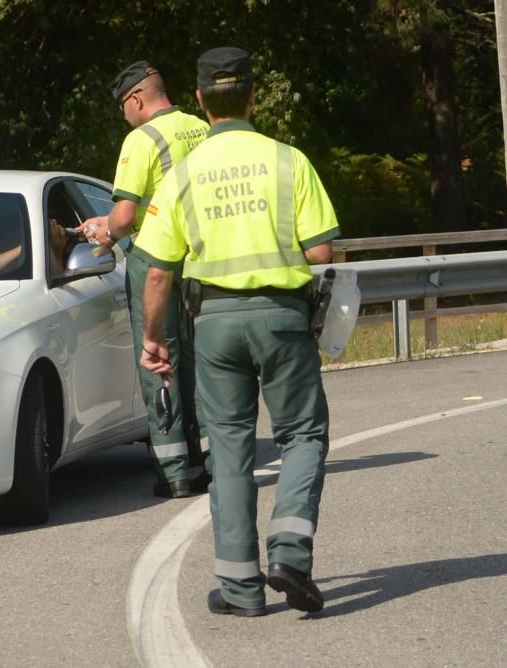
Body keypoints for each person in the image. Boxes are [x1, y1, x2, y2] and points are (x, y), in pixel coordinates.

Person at [136, 47, 339, 616]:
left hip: (214, 325)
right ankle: (291, 553)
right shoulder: (288, 161)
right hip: (282, 317)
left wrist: (154, 338)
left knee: (229, 450)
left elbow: (157, 271)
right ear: (254, 95)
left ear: (200, 101)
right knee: (302, 434)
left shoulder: (182, 174)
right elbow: (321, 250)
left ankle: (240, 589)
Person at [78, 60, 211, 499]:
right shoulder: (200, 127)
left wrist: (107, 230)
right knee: (202, 362)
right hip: (206, 260)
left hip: (159, 260)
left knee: (159, 360)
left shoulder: (141, 139)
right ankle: (208, 458)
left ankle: (173, 469)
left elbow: (127, 215)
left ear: (135, 98)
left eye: (123, 106)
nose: (123, 114)